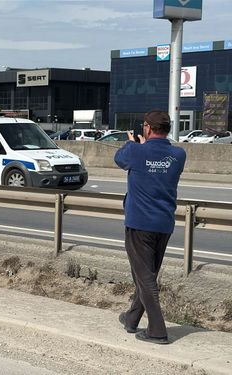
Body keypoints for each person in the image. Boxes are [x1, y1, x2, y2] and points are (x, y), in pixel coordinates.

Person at [114, 109, 186, 345]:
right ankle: (132, 318)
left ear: (146, 127)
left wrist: (131, 144)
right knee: (147, 274)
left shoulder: (135, 151)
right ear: (167, 129)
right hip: (164, 224)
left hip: (139, 223)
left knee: (145, 278)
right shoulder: (179, 155)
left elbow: (119, 159)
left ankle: (157, 330)